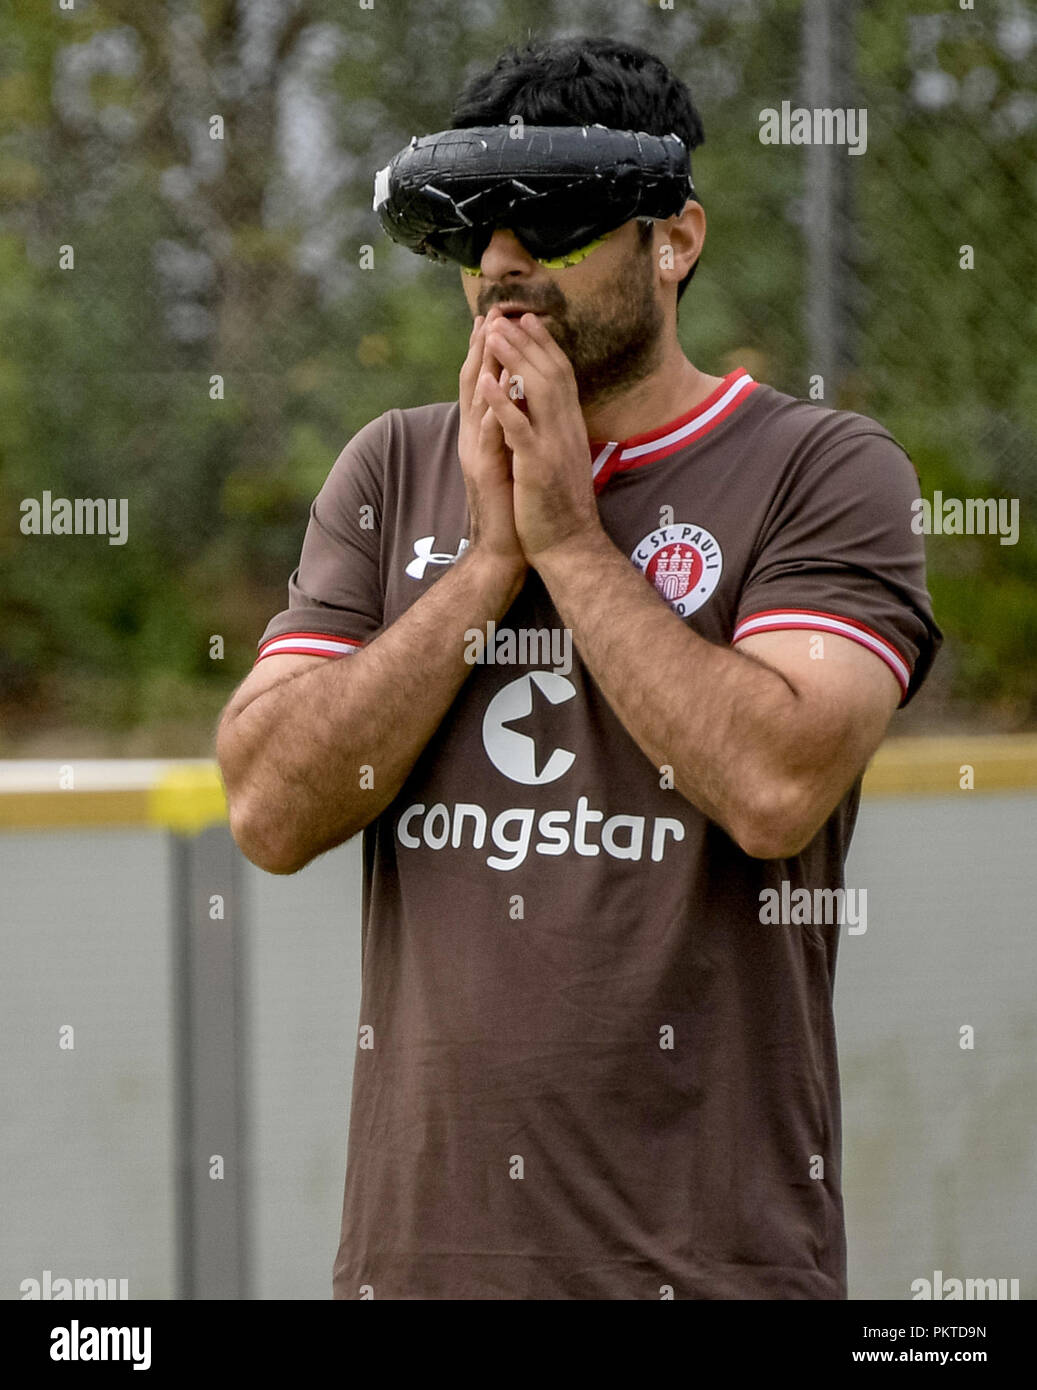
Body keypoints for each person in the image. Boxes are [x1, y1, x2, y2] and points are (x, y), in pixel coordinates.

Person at [216, 35, 941, 1300]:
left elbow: (772, 786)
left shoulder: (823, 471)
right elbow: (268, 809)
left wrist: (564, 534)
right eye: (476, 230)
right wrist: (486, 567)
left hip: (714, 1275)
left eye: (552, 225)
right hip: (416, 1276)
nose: (503, 265)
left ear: (675, 240)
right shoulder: (390, 469)